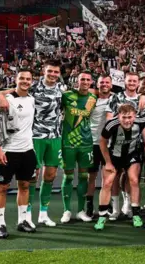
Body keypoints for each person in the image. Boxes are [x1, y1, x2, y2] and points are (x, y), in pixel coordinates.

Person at [0, 59, 65, 227]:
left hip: (55, 137)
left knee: (50, 176)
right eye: (50, 71)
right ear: (44, 71)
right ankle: (27, 216)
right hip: (34, 137)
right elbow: (8, 92)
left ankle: (43, 213)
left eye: (56, 72)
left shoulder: (62, 89)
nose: (53, 74)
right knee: (31, 178)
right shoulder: (32, 86)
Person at [0, 68, 37, 238]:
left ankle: (22, 220)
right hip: (8, 151)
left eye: (28, 78)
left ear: (32, 81)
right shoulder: (5, 100)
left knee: (24, 186)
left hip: (27, 150)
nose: (25, 81)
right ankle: (1, 224)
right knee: (2, 187)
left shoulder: (32, 99)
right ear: (16, 80)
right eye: (22, 78)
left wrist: (0, 93)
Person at [95, 104, 145, 230]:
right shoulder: (111, 125)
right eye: (124, 117)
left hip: (132, 155)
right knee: (108, 183)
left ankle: (135, 214)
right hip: (114, 156)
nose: (127, 120)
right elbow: (102, 142)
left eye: (130, 117)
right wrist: (108, 163)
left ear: (134, 116)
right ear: (118, 116)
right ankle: (102, 217)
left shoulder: (141, 121)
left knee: (134, 180)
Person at [59, 71, 97, 224]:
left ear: (91, 82)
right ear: (77, 81)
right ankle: (66, 210)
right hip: (68, 141)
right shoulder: (66, 96)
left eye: (88, 79)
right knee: (68, 176)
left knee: (83, 177)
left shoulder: (93, 98)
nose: (85, 82)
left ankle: (80, 211)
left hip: (86, 142)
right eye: (83, 79)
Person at [86, 74, 114, 217]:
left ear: (111, 84)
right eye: (101, 82)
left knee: (107, 176)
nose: (104, 85)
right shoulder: (91, 99)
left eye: (107, 82)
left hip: (109, 144)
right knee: (91, 176)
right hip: (93, 142)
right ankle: (89, 204)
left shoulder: (116, 98)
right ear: (97, 84)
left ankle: (106, 204)